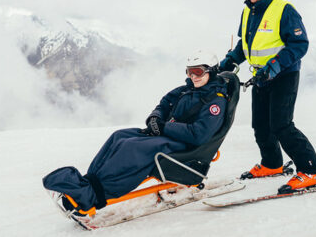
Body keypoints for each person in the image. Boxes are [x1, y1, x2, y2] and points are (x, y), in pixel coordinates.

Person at [43, 50, 228, 213]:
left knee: (130, 148)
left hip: (185, 147)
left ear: (211, 71)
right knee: (119, 136)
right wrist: (154, 118)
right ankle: (89, 183)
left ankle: (94, 196)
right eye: (189, 71)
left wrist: (164, 127)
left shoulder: (215, 101)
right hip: (167, 134)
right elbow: (164, 103)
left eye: (198, 71)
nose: (193, 76)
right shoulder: (186, 89)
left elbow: (199, 134)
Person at [219, 0, 316, 193]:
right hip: (261, 76)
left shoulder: (284, 10)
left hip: (284, 75)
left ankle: (312, 171)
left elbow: (299, 44)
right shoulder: (249, 10)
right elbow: (245, 44)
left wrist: (274, 67)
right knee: (261, 125)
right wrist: (229, 62)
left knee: (282, 125)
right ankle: (272, 164)